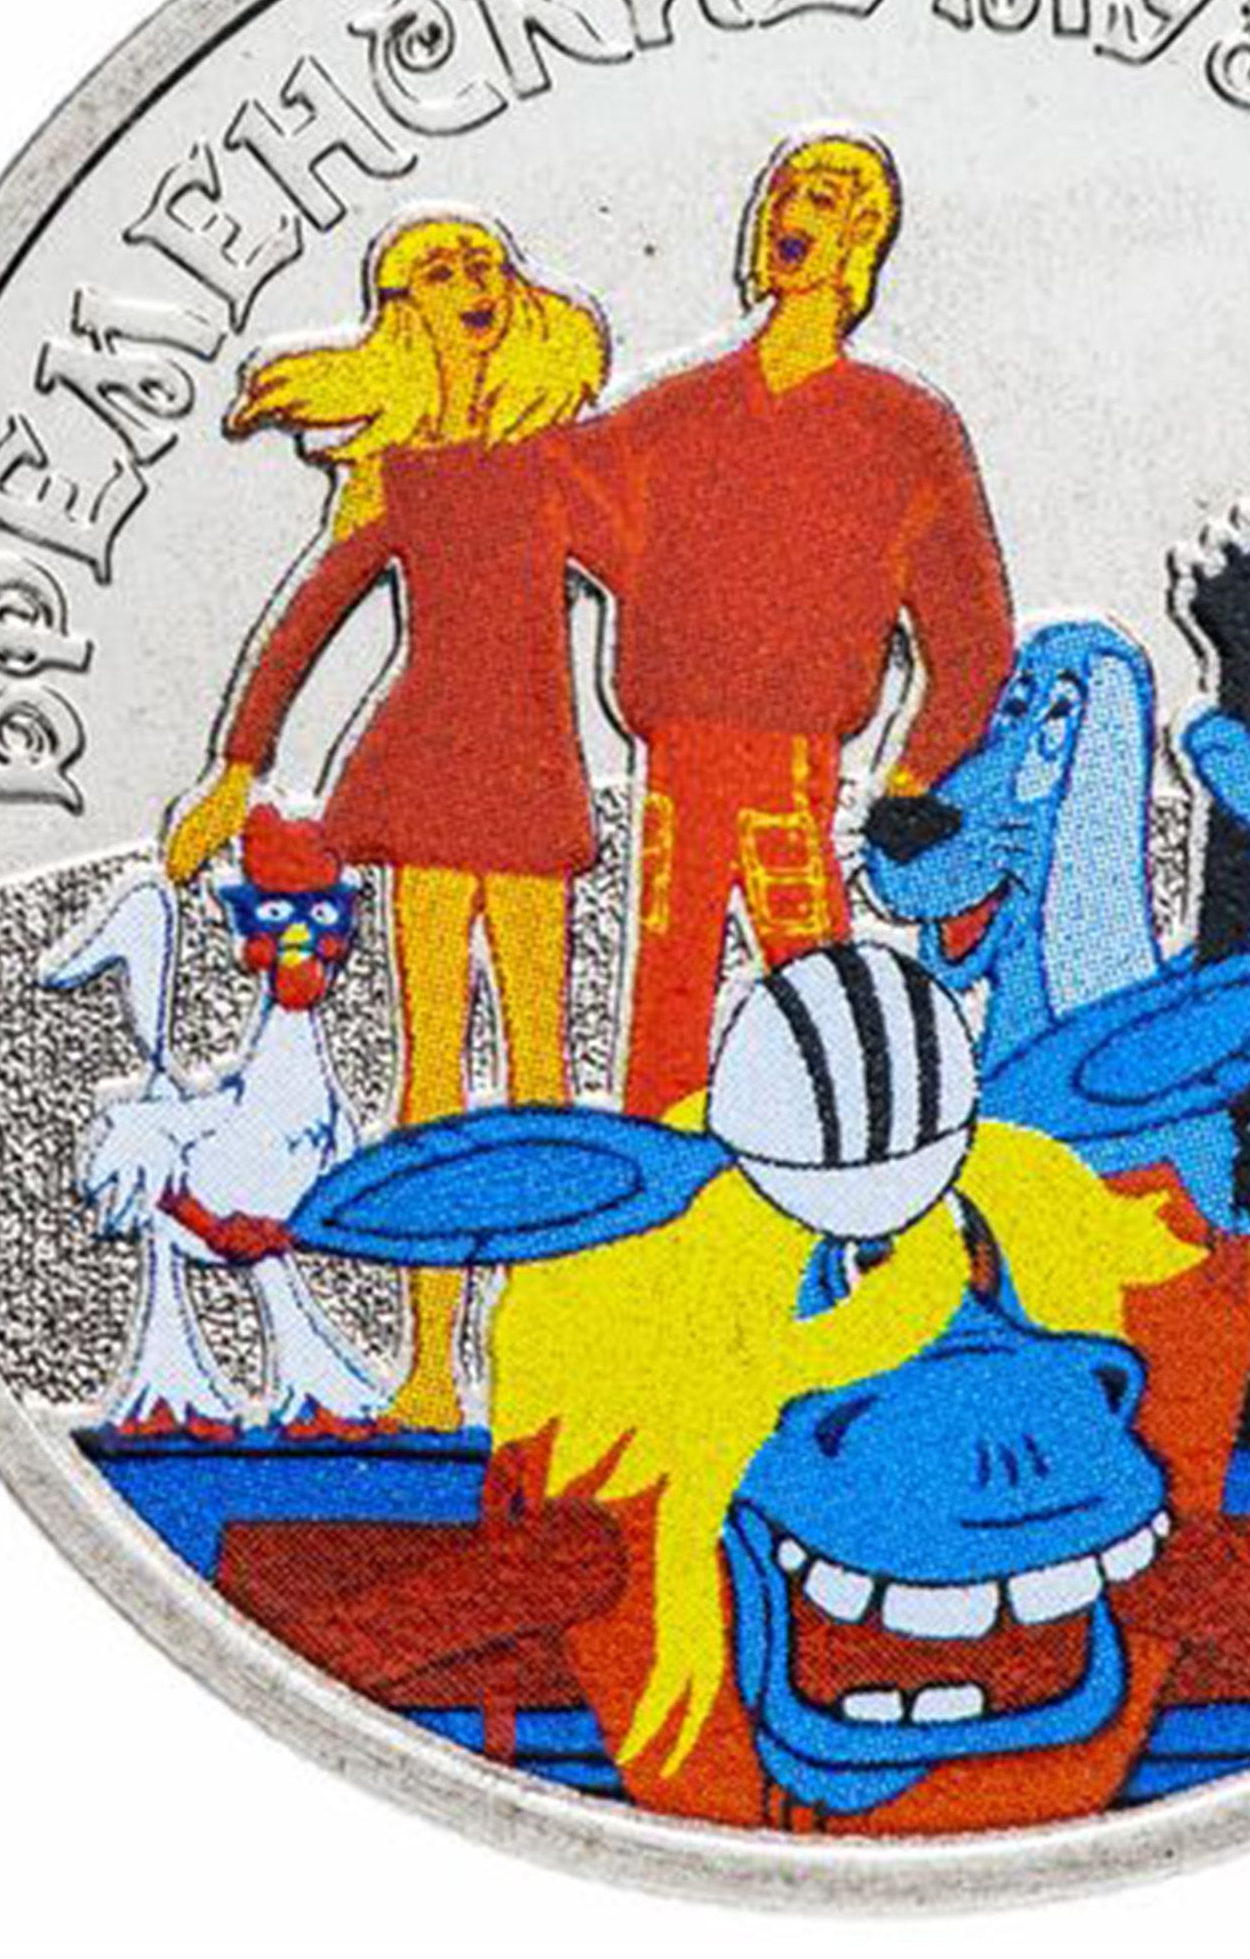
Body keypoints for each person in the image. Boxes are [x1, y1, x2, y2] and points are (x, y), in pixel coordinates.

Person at [163, 213, 616, 1430]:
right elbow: (310, 616)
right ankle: (428, 1367)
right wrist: (236, 768)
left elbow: (654, 574)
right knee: (432, 1073)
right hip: (426, 775)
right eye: (442, 272)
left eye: (484, 264)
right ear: (405, 314)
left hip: (531, 778)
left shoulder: (558, 466)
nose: (473, 283)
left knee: (541, 1074)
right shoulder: (401, 479)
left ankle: (540, 1356)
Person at [570, 135, 1014, 1114]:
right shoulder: (672, 416)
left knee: (821, 998)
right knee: (666, 1005)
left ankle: (859, 1171)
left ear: (862, 235)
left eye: (820, 197)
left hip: (793, 768)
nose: (790, 213)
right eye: (783, 192)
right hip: (675, 765)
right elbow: (546, 500)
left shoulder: (903, 429)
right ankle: (655, 1191)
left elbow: (973, 642)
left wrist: (915, 782)